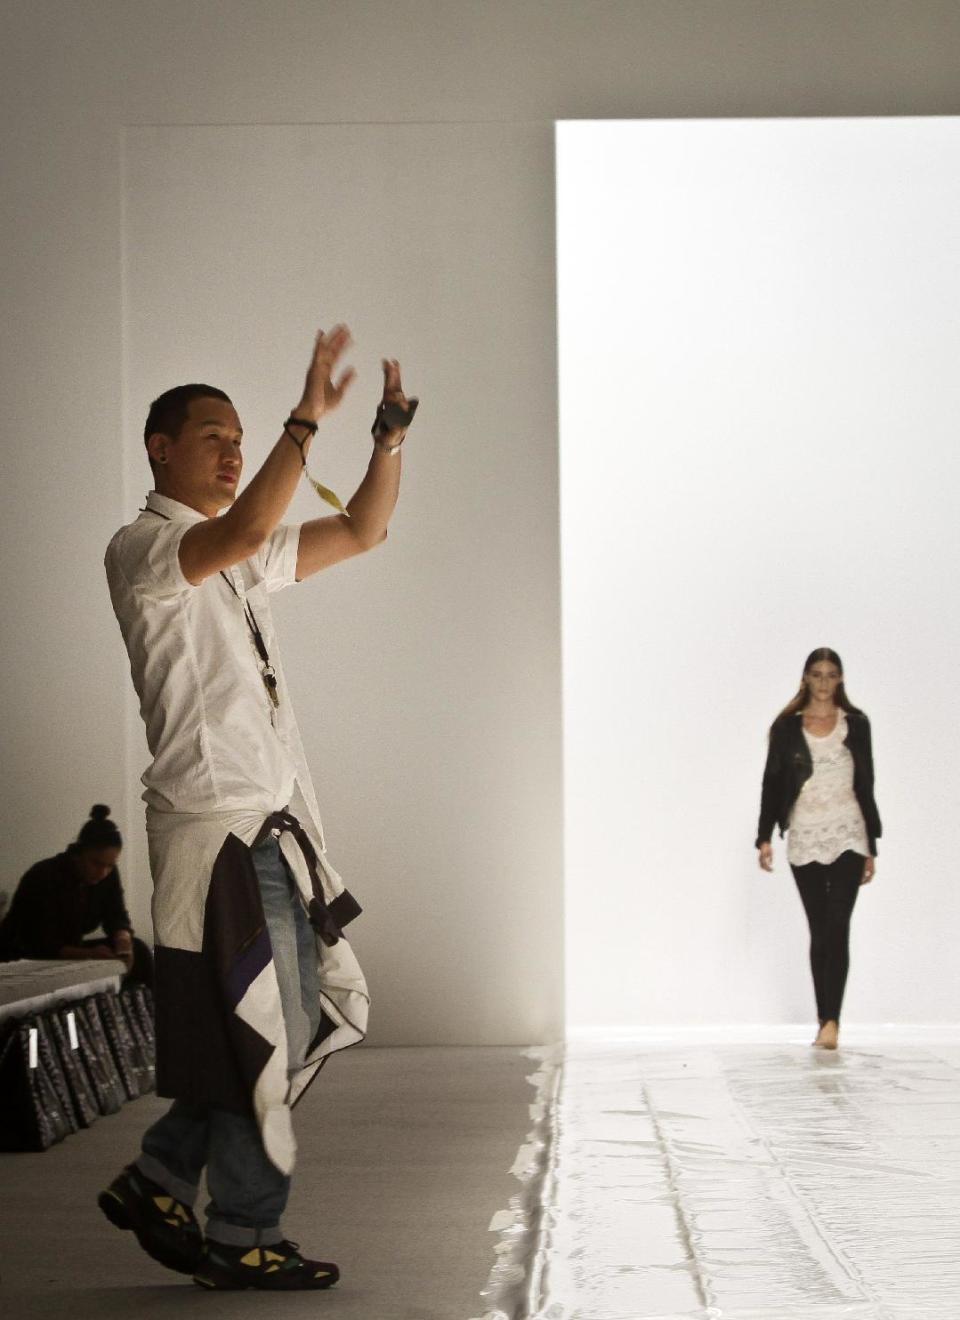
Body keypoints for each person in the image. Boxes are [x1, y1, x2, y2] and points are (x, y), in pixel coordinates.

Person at [99, 325, 416, 1291]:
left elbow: (362, 530)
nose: (234, 451)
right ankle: (239, 1230)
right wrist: (303, 418)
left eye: (242, 437)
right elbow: (235, 530)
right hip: (217, 833)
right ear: (160, 448)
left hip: (271, 832)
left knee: (284, 1026)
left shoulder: (237, 560)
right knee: (264, 1034)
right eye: (213, 436)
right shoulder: (146, 549)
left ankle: (162, 1175)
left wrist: (388, 440)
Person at [755, 648, 882, 1050]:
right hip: (806, 833)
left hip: (848, 832)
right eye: (817, 675)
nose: (824, 683)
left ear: (840, 679)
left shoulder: (856, 725)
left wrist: (871, 845)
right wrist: (763, 837)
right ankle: (822, 1014)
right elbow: (773, 783)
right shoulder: (787, 728)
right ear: (805, 679)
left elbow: (867, 784)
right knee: (819, 928)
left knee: (838, 923)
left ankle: (831, 1022)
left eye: (831, 675)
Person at [0, 804, 152, 986]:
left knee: (140, 952)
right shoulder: (44, 876)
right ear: (79, 853)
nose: (103, 872)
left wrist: (123, 941)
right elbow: (42, 943)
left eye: (110, 866)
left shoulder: (108, 875)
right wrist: (90, 955)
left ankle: (144, 1009)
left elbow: (116, 914)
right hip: (28, 953)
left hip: (70, 950)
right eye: (96, 863)